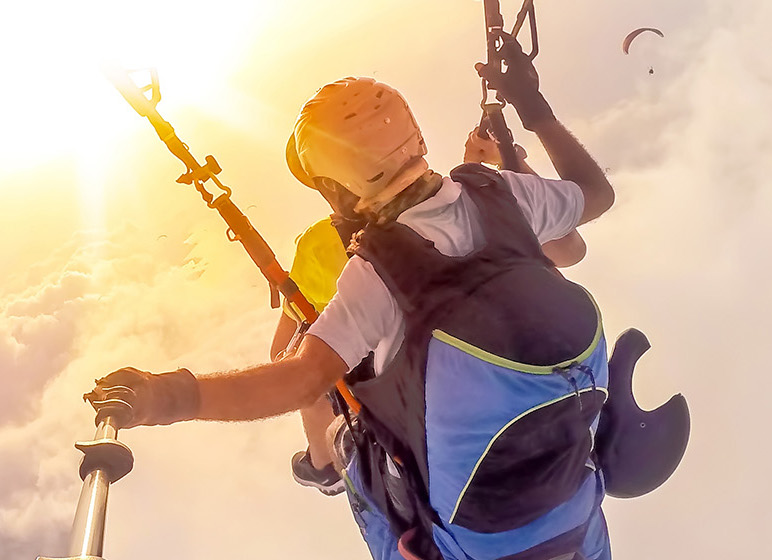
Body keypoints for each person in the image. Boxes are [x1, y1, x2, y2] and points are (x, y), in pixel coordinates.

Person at [88, 38, 620, 560]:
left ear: (339, 187)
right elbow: (595, 195)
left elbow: (301, 378)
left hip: (479, 541)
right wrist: (533, 107)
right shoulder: (506, 194)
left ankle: (332, 474)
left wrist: (166, 397)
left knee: (355, 444)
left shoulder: (379, 271)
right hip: (575, 504)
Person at [281, 126, 591, 560]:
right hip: (553, 452)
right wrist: (503, 166)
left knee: (335, 422)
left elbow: (288, 362)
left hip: (431, 465)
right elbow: (569, 249)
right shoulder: (477, 206)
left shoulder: (324, 251)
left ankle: (324, 466)